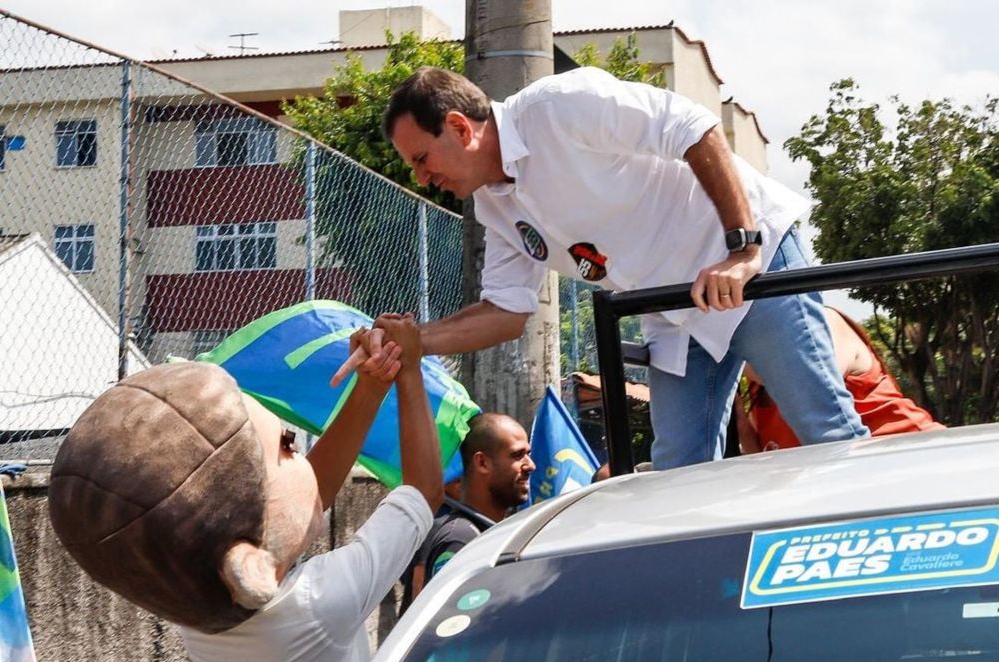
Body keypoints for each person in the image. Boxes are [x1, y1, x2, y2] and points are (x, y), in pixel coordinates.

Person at [348, 65, 869, 471]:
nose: (421, 177)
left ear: (460, 128)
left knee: (825, 431)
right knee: (677, 474)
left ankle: (905, 591)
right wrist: (412, 340)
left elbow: (693, 127)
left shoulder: (557, 108)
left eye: (420, 158)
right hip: (672, 309)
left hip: (747, 269)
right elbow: (507, 313)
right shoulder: (494, 205)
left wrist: (741, 250)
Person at [48, 316, 443, 662]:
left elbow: (291, 506)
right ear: (252, 566)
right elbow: (423, 493)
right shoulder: (317, 605)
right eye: (288, 446)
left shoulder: (196, 596)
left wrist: (371, 388)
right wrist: (409, 370)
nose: (298, 455)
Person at [737, 307, 945, 452]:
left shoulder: (824, 322)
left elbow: (808, 378)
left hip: (914, 453)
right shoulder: (754, 380)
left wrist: (727, 355)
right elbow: (763, 452)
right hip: (847, 481)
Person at [400, 412, 534, 613]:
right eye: (517, 455)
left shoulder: (487, 533)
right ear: (482, 463)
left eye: (528, 454)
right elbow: (446, 626)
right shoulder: (461, 539)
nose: (530, 465)